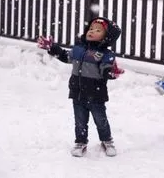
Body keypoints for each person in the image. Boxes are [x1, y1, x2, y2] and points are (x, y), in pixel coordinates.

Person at [37, 17, 123, 158]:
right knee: (80, 121)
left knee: (100, 120)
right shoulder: (78, 49)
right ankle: (80, 142)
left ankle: (107, 141)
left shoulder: (106, 55)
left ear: (106, 37)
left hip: (96, 95)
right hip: (78, 93)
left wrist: (112, 73)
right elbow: (65, 56)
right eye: (91, 28)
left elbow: (106, 70)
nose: (92, 31)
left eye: (98, 30)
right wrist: (52, 48)